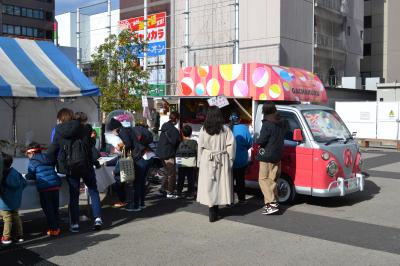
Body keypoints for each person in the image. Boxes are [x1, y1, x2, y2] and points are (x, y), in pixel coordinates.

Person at [47, 108, 103, 232]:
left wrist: (47, 164)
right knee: (93, 191)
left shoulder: (58, 131)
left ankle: (75, 224)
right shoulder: (85, 128)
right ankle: (97, 218)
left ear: (60, 119)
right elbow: (90, 146)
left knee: (74, 195)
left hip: (70, 167)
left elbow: (52, 150)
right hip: (86, 164)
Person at [197, 106, 236, 222]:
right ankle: (216, 209)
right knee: (219, 185)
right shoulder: (225, 129)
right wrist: (230, 159)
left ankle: (211, 209)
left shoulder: (203, 129)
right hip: (221, 160)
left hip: (207, 159)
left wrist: (199, 161)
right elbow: (231, 145)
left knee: (209, 185)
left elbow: (200, 146)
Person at [25, 143, 61, 236]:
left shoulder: (33, 161)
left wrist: (27, 176)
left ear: (32, 153)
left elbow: (31, 175)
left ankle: (54, 229)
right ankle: (57, 226)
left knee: (48, 209)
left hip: (45, 187)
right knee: (55, 207)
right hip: (55, 184)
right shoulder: (47, 157)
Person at [256, 101, 285, 215]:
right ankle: (275, 202)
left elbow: (262, 140)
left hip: (267, 155)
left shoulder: (267, 123)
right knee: (272, 180)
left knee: (263, 179)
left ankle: (271, 203)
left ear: (264, 111)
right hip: (278, 155)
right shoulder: (280, 122)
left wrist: (258, 140)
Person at [0, 153, 27, 245]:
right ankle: (20, 236)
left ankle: (6, 237)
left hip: (4, 203)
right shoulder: (16, 172)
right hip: (16, 201)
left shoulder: (2, 175)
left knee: (7, 218)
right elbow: (24, 183)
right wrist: (17, 192)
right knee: (16, 217)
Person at [156, 111, 181, 199]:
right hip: (168, 153)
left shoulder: (164, 126)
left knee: (167, 172)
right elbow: (175, 142)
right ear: (177, 119)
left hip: (161, 152)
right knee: (171, 173)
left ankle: (162, 189)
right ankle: (170, 192)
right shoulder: (174, 130)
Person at [229, 112, 253, 204]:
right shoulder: (243, 128)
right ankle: (241, 199)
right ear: (239, 119)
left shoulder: (226, 128)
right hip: (241, 160)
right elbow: (249, 143)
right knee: (240, 181)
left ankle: (229, 201)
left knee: (229, 181)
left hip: (229, 159)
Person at [175, 125, 198, 200]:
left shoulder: (179, 143)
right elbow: (197, 152)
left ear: (182, 133)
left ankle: (179, 192)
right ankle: (190, 193)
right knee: (191, 177)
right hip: (191, 162)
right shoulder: (194, 143)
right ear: (191, 133)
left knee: (181, 177)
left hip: (181, 162)